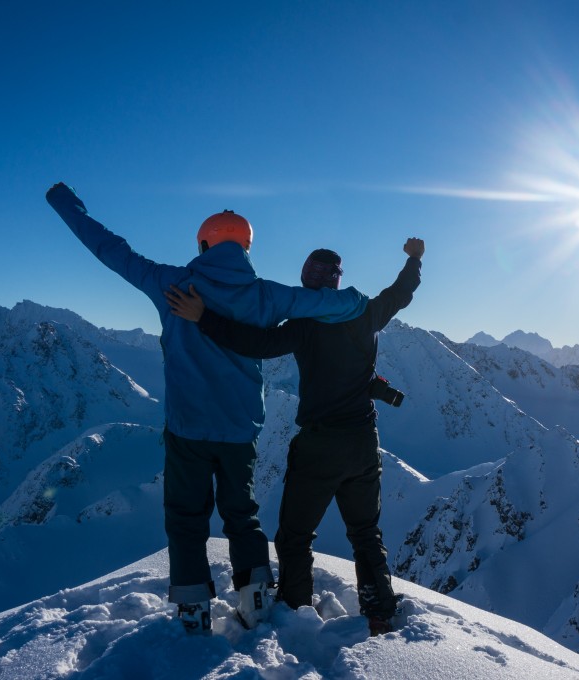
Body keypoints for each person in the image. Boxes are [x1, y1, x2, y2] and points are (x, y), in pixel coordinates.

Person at [46, 183, 369, 634]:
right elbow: (336, 303)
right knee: (242, 515)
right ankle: (255, 596)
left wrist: (66, 203)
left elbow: (109, 248)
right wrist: (358, 300)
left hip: (187, 430)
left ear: (203, 243)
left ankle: (193, 608)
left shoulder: (170, 283)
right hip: (240, 430)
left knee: (185, 519)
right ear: (246, 247)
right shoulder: (268, 295)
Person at [165, 238, 424, 635]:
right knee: (365, 532)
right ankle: (379, 609)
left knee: (296, 535)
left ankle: (296, 605)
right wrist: (414, 260)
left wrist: (203, 317)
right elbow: (402, 291)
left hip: (320, 445)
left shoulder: (306, 324)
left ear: (308, 279)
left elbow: (256, 344)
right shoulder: (369, 312)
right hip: (363, 441)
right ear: (338, 281)